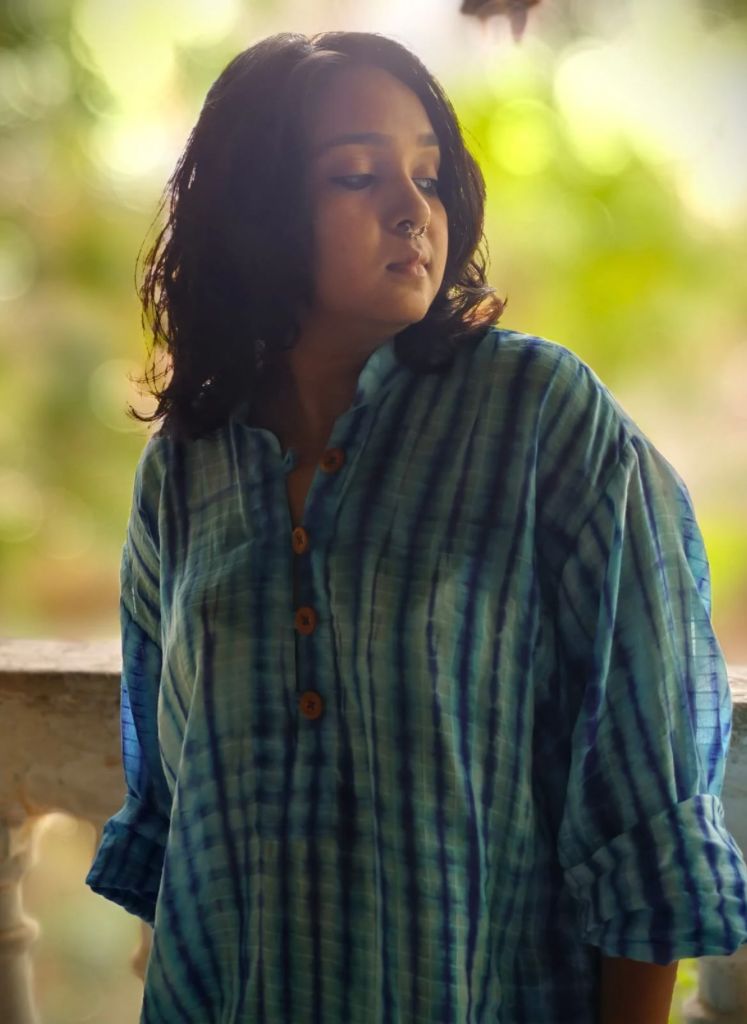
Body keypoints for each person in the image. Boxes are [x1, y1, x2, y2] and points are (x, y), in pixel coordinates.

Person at [85, 30, 747, 1024]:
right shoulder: (184, 469)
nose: (414, 209)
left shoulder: (540, 418)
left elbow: (642, 809)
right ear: (255, 209)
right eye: (357, 175)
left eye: (430, 175)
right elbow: (181, 831)